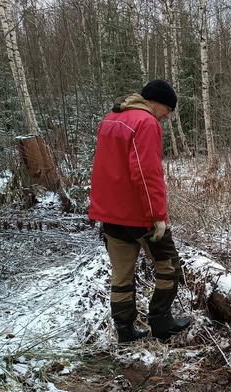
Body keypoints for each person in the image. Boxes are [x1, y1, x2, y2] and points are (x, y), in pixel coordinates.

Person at [88, 79, 190, 344]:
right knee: (169, 266)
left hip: (109, 214)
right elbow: (146, 174)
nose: (167, 116)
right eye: (167, 108)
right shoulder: (146, 123)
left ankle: (125, 331)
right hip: (139, 215)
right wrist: (157, 216)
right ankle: (161, 322)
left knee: (121, 273)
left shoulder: (110, 119)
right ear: (153, 101)